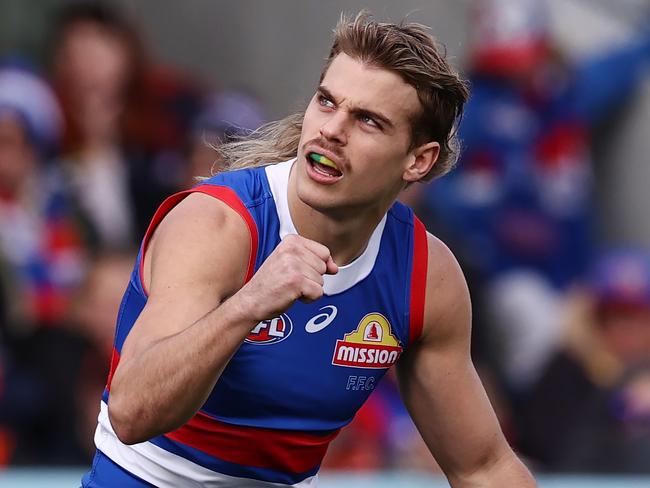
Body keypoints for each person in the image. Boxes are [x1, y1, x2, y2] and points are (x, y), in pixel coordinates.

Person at [82, 12, 536, 487]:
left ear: (417, 160)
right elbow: (131, 413)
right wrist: (248, 305)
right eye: (326, 102)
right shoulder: (217, 225)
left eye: (367, 120)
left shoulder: (426, 275)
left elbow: (483, 467)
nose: (331, 129)